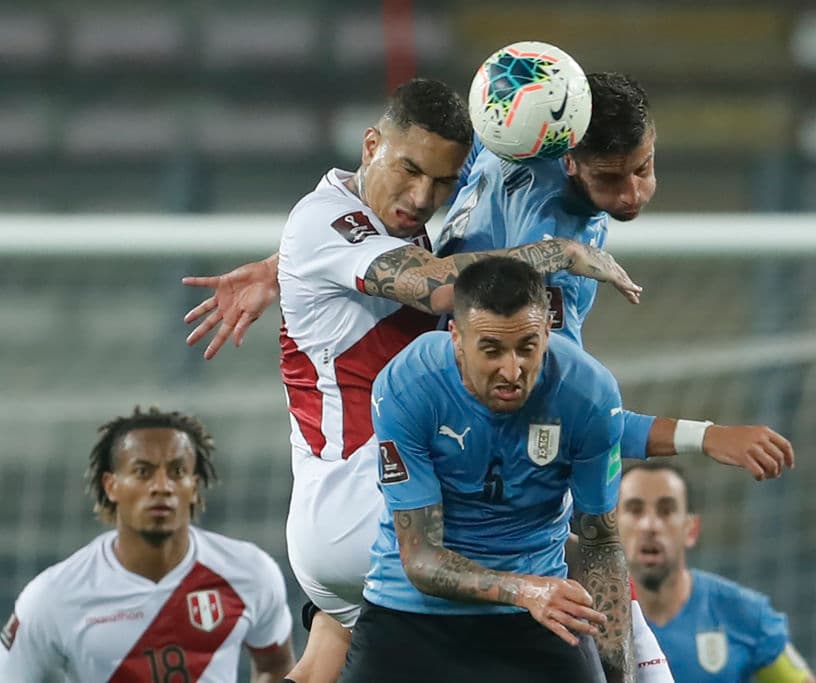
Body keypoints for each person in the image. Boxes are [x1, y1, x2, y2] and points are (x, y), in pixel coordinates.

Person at [192, 77, 642, 683]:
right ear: (371, 144)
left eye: (441, 181)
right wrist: (555, 252)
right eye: (409, 170)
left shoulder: (387, 229)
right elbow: (437, 286)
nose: (421, 195)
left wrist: (282, 267)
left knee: (323, 668)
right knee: (579, 558)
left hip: (349, 517)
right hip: (362, 498)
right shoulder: (326, 220)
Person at [345, 257, 633, 682]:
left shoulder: (589, 396)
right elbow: (421, 558)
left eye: (527, 348)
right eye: (492, 350)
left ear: (548, 333)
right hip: (410, 610)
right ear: (456, 338)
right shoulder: (408, 385)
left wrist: (618, 674)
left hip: (541, 614)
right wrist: (525, 591)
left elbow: (601, 542)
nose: (512, 371)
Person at [0, 406, 295, 682]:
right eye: (143, 471)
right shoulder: (53, 596)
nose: (162, 486)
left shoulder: (249, 572)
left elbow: (275, 666)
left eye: (178, 472)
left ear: (194, 485)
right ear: (111, 485)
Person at [618, 459, 816, 683]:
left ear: (691, 529)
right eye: (635, 511)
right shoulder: (592, 618)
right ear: (613, 526)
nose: (650, 525)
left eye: (666, 511)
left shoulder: (745, 613)